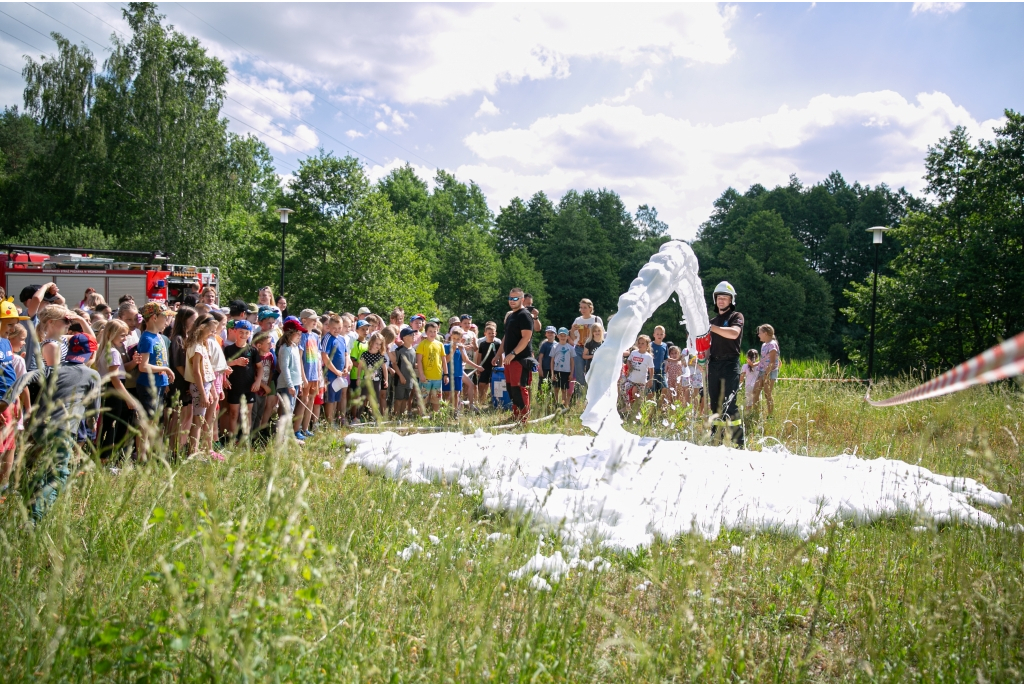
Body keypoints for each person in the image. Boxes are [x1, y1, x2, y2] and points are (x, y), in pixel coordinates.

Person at [18, 333, 101, 522]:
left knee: (42, 468)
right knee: (58, 474)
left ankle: (29, 496)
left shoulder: (55, 369)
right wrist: (92, 425)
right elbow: (94, 409)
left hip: (40, 426)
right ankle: (34, 519)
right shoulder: (92, 374)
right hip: (62, 429)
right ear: (91, 354)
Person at [92, 319, 139, 462]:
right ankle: (106, 459)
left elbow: (120, 371)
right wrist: (128, 398)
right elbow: (115, 379)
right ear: (111, 334)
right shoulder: (113, 352)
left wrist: (132, 363)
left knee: (109, 425)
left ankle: (106, 458)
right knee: (112, 427)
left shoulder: (105, 349)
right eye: (122, 335)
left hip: (107, 391)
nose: (125, 339)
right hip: (114, 392)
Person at [135, 302, 174, 460]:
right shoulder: (147, 338)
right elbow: (143, 366)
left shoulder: (159, 337)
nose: (167, 320)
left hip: (159, 385)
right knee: (146, 423)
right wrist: (166, 370)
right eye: (165, 317)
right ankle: (141, 457)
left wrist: (164, 381)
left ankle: (150, 454)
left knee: (155, 422)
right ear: (154, 317)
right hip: (148, 386)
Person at [707, 281, 744, 446]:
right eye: (719, 298)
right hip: (713, 364)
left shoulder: (736, 317)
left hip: (730, 363)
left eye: (725, 298)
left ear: (731, 300)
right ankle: (716, 440)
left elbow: (734, 334)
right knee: (715, 404)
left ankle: (738, 442)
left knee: (729, 403)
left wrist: (710, 327)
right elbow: (707, 345)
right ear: (715, 300)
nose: (721, 301)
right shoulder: (712, 320)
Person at [0, 301, 29, 490]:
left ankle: (4, 486)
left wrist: (15, 401)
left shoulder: (5, 342)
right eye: (9, 324)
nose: (13, 328)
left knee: (10, 444)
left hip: (9, 401)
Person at [184, 314, 221, 459]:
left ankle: (199, 450)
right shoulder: (196, 347)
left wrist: (210, 390)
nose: (213, 334)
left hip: (205, 386)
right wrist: (203, 393)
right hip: (199, 386)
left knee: (202, 419)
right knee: (198, 421)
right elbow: (196, 372)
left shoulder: (202, 345)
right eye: (211, 331)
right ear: (202, 328)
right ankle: (192, 453)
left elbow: (207, 370)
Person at [501, 287, 534, 425]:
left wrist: (513, 353)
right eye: (510, 298)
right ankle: (516, 415)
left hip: (520, 359)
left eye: (515, 298)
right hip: (509, 359)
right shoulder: (511, 316)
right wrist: (498, 354)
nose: (512, 301)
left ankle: (524, 418)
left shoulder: (524, 315)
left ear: (521, 299)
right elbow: (506, 337)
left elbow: (526, 338)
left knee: (520, 388)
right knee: (511, 388)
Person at [222, 320, 260, 442]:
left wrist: (258, 381)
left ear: (250, 334)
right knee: (234, 413)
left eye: (246, 333)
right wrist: (235, 362)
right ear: (234, 331)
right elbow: (222, 366)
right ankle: (232, 440)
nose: (243, 335)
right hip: (234, 386)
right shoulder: (228, 349)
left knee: (247, 414)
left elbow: (259, 367)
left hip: (248, 386)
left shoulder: (252, 350)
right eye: (240, 332)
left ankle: (245, 439)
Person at [168, 306, 198, 456]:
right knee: (178, 417)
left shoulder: (189, 337)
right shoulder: (178, 339)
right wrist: (189, 380)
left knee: (187, 415)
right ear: (185, 320)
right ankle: (173, 449)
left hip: (188, 380)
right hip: (180, 381)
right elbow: (179, 364)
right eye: (193, 319)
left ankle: (181, 445)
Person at [275, 317, 305, 443]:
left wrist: (300, 383)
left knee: (290, 410)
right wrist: (290, 385)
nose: (299, 336)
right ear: (289, 333)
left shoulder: (294, 347)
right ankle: (282, 437)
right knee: (287, 410)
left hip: (295, 383)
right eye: (297, 333)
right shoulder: (285, 348)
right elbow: (285, 368)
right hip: (287, 384)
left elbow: (297, 368)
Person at [321, 314, 349, 426]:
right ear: (329, 327)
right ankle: (330, 422)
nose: (337, 330)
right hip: (331, 374)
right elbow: (325, 356)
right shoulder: (327, 338)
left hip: (341, 374)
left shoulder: (342, 339)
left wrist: (346, 367)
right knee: (330, 399)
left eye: (339, 328)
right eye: (334, 328)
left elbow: (346, 354)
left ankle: (336, 419)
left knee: (337, 397)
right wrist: (335, 371)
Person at [297, 309, 321, 438]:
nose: (315, 322)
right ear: (304, 320)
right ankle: (297, 429)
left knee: (311, 400)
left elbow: (317, 358)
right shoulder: (301, 335)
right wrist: (303, 376)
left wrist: (318, 375)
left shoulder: (315, 336)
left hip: (314, 375)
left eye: (316, 319)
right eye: (313, 319)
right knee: (303, 401)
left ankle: (305, 428)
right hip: (305, 374)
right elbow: (299, 358)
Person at [571, 299, 603, 393]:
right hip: (579, 348)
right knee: (579, 375)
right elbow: (573, 338)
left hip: (592, 349)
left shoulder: (596, 319)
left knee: (593, 373)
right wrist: (572, 330)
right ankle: (580, 399)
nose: (582, 310)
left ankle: (592, 395)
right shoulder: (577, 320)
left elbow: (602, 335)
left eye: (585, 307)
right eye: (581, 307)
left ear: (590, 308)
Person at [415, 321, 447, 414]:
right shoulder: (423, 344)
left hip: (437, 377)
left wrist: (446, 374)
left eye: (434, 331)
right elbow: (419, 360)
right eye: (430, 331)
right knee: (423, 398)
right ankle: (421, 416)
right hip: (426, 378)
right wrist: (421, 374)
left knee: (437, 399)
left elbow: (443, 360)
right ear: (426, 332)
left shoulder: (440, 344)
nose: (433, 333)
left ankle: (435, 416)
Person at [752, 324, 781, 416]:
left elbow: (772, 362)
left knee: (767, 394)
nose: (758, 335)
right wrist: (753, 364)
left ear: (766, 333)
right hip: (761, 371)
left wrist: (766, 374)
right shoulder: (764, 345)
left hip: (769, 372)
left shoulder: (772, 345)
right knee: (755, 391)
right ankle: (756, 414)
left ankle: (770, 415)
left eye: (759, 333)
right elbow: (763, 359)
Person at [358, 332, 387, 420]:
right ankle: (358, 417)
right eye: (376, 343)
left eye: (380, 344)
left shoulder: (380, 356)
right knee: (363, 397)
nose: (378, 346)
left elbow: (384, 368)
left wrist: (386, 380)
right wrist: (358, 378)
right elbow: (360, 367)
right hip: (366, 380)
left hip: (377, 381)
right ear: (371, 342)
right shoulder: (365, 354)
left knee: (375, 399)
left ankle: (376, 418)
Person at [624, 334, 655, 410]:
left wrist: (651, 379)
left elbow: (651, 369)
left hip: (641, 381)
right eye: (639, 343)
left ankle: (637, 413)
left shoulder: (648, 357)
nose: (640, 345)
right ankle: (627, 407)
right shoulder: (634, 352)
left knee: (639, 398)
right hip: (631, 379)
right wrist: (629, 365)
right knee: (625, 390)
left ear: (647, 345)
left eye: (642, 343)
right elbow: (628, 360)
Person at [348, 320, 369, 422]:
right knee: (356, 396)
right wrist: (363, 367)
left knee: (363, 396)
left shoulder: (368, 343)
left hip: (366, 375)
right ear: (357, 330)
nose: (365, 331)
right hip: (356, 375)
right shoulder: (355, 343)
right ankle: (353, 417)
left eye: (367, 329)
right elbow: (353, 360)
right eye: (362, 329)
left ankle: (360, 416)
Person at [475, 323, 500, 405]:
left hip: (494, 368)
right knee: (482, 384)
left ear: (495, 333)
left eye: (493, 333)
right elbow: (479, 356)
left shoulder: (497, 344)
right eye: (489, 333)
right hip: (484, 367)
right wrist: (478, 367)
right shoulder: (482, 344)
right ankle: (481, 400)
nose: (491, 335)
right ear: (485, 334)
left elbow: (500, 356)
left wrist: (501, 367)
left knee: (492, 385)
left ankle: (490, 401)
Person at [393, 327, 417, 416]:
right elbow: (395, 364)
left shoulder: (413, 350)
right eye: (411, 335)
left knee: (406, 399)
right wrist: (401, 376)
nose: (413, 336)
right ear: (404, 338)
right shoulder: (399, 350)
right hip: (400, 379)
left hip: (410, 380)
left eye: (413, 334)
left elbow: (413, 365)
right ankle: (396, 417)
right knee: (399, 399)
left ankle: (402, 417)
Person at [550, 327, 575, 408]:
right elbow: (552, 361)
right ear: (558, 336)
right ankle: (556, 404)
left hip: (566, 371)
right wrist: (552, 373)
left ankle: (563, 405)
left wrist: (571, 373)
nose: (563, 337)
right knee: (556, 388)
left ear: (567, 336)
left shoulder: (570, 348)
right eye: (561, 335)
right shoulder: (554, 347)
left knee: (564, 389)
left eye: (564, 335)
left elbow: (572, 361)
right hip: (557, 370)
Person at [651, 325, 669, 408]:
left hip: (662, 371)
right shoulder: (650, 345)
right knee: (652, 390)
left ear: (664, 335)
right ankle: (652, 408)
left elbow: (666, 358)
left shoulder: (665, 346)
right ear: (654, 335)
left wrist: (676, 359)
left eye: (661, 334)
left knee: (665, 387)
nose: (659, 336)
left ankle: (659, 406)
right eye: (657, 334)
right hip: (652, 371)